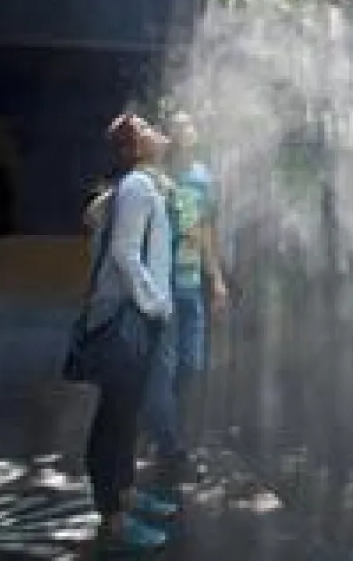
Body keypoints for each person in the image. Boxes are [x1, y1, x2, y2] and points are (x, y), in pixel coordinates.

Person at [81, 113, 180, 552]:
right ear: (136, 146)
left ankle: (122, 495)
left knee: (124, 413)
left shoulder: (133, 187)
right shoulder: (138, 187)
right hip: (132, 317)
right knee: (117, 417)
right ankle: (114, 516)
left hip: (125, 314)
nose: (157, 131)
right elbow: (124, 252)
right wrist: (154, 303)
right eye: (146, 128)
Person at [142, 110, 228, 487]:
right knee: (165, 366)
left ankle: (164, 430)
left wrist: (217, 277)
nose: (184, 131)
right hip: (163, 284)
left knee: (190, 365)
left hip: (193, 284)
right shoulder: (157, 177)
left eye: (189, 124)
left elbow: (206, 227)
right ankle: (171, 449)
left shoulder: (202, 177)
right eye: (177, 127)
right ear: (169, 136)